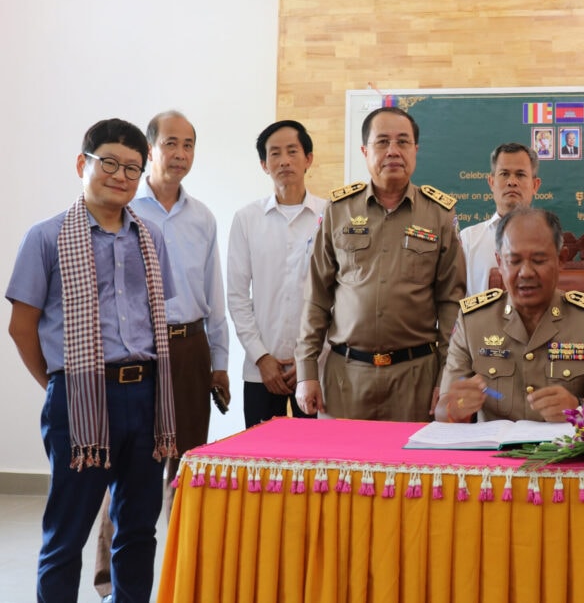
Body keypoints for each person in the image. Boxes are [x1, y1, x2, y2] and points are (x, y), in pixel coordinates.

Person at [6, 119, 176, 602]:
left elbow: (156, 317)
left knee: (138, 530)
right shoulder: (45, 237)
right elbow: (22, 327)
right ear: (83, 163)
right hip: (78, 398)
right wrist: (59, 384)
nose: (121, 176)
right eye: (110, 163)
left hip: (146, 396)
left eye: (132, 168)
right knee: (67, 534)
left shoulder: (150, 238)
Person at [92, 110, 230, 600]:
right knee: (129, 465)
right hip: (138, 350)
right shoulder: (125, 207)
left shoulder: (203, 217)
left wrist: (219, 362)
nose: (180, 153)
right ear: (150, 150)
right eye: (171, 143)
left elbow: (213, 294)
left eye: (188, 144)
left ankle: (181, 574)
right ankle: (111, 580)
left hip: (191, 348)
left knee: (186, 464)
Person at [294, 106, 466, 421]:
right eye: (382, 141)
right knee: (342, 455)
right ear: (365, 150)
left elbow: (451, 303)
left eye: (403, 142)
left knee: (411, 455)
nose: (393, 151)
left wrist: (448, 376)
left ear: (415, 150)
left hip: (416, 377)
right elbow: (316, 296)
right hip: (346, 377)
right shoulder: (338, 210)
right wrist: (306, 371)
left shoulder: (439, 214)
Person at [437, 208, 584, 422]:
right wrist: (453, 408)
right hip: (494, 444)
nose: (525, 272)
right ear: (499, 262)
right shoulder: (473, 321)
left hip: (564, 443)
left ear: (561, 259)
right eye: (514, 261)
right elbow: (443, 411)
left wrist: (578, 408)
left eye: (539, 260)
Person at [227, 120, 327, 428]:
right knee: (257, 453)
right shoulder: (246, 219)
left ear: (308, 158)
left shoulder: (331, 216)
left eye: (292, 151)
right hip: (260, 370)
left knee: (315, 454)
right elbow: (237, 296)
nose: (284, 161)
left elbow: (340, 296)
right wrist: (261, 357)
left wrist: (311, 358)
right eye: (275, 154)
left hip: (316, 372)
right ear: (264, 165)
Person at [459, 142, 542, 296]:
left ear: (535, 185)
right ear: (491, 182)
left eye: (520, 175)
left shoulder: (548, 239)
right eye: (504, 174)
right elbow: (452, 300)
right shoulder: (468, 240)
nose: (512, 182)